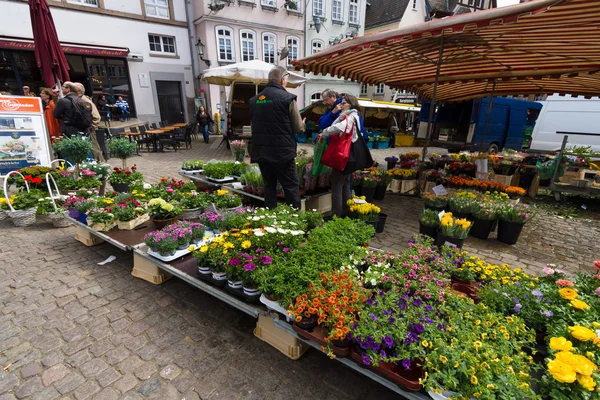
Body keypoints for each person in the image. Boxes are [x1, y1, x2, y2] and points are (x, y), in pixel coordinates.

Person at [250, 66, 305, 209]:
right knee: (291, 187)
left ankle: (270, 219)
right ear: (282, 80)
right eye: (286, 80)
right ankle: (294, 221)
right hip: (282, 153)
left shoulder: (255, 100)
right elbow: (298, 127)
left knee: (269, 186)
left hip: (261, 151)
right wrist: (303, 124)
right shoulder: (287, 98)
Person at [321, 93, 368, 217]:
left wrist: (324, 133)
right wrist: (340, 117)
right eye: (341, 102)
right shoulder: (352, 115)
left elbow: (335, 128)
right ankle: (347, 211)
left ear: (350, 104)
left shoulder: (351, 117)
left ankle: (336, 214)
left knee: (336, 185)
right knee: (346, 184)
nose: (341, 105)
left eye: (343, 103)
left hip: (343, 156)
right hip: (350, 156)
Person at [74, 83, 103, 161]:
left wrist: (91, 128)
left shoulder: (84, 100)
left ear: (78, 91)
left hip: (88, 130)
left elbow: (96, 117)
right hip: (84, 130)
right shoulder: (77, 100)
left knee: (94, 149)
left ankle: (99, 166)